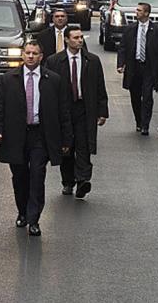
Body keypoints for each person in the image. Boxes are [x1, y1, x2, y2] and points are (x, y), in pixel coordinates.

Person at [0, 40, 71, 237]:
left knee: (37, 175)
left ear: (41, 56)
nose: (30, 56)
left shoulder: (53, 79)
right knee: (20, 177)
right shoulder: (9, 79)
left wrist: (66, 140)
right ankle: (22, 212)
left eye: (34, 53)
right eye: (27, 53)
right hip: (15, 135)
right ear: (22, 55)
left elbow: (63, 111)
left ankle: (34, 219)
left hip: (40, 135)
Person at [45, 25, 108, 198]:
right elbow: (48, 88)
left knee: (84, 144)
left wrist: (102, 111)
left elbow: (99, 87)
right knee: (67, 147)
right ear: (66, 39)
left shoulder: (92, 60)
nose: (79, 40)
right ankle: (68, 181)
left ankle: (83, 180)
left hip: (84, 108)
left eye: (81, 37)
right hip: (63, 110)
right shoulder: (54, 61)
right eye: (75, 37)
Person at [117, 2, 158, 135]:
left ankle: (146, 125)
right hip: (134, 67)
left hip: (149, 68)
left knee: (147, 97)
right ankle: (139, 121)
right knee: (135, 96)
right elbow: (123, 47)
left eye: (139, 10)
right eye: (136, 10)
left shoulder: (157, 30)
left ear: (146, 13)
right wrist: (121, 64)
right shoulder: (130, 29)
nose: (137, 12)